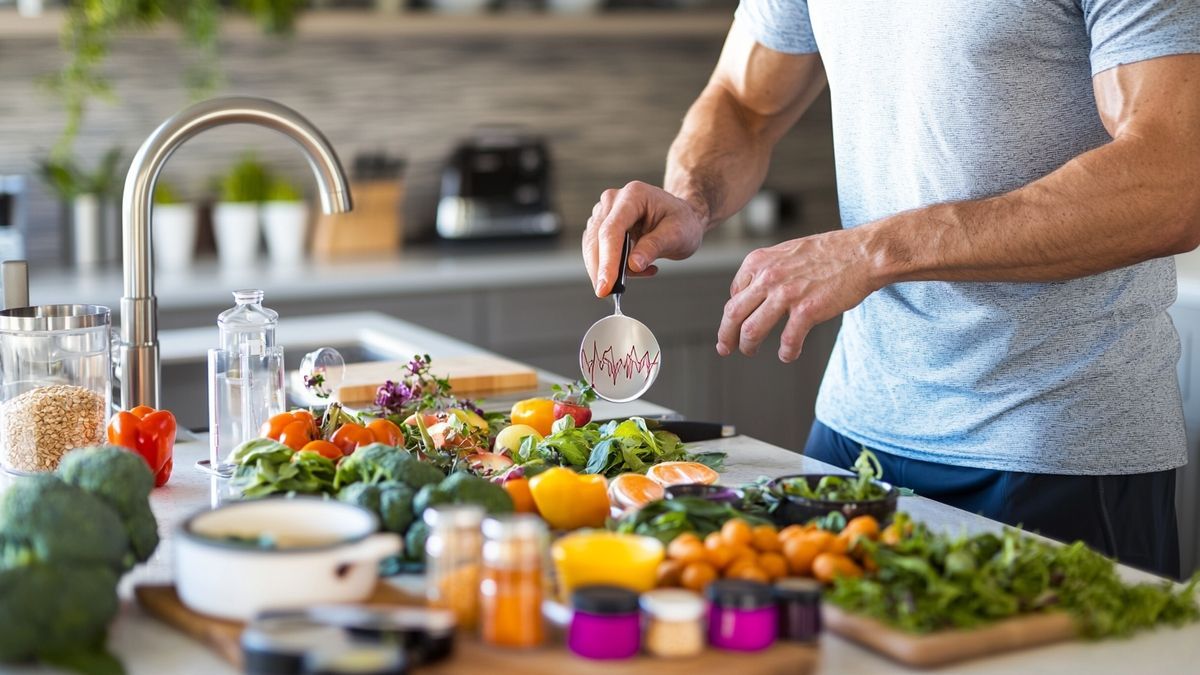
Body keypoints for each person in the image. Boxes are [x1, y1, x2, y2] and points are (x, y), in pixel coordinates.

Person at [581, 1, 1200, 578]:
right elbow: (745, 102)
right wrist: (692, 199)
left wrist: (871, 251)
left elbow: (1175, 179)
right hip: (854, 432)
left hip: (1051, 443)